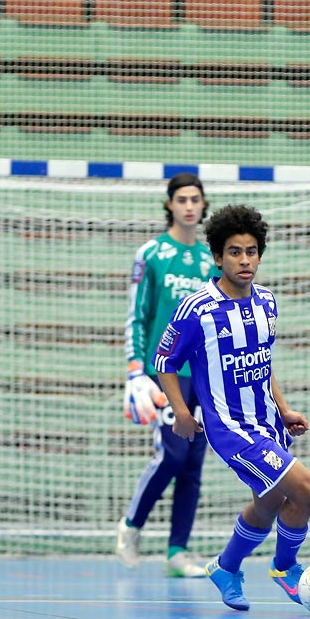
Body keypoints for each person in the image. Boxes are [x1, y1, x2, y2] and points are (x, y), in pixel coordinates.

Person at [152, 204, 310, 611]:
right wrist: (183, 414)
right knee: (307, 489)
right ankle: (285, 566)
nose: (244, 260)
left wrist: (283, 409)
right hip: (231, 428)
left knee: (271, 502)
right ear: (217, 257)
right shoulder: (198, 308)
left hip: (266, 422)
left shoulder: (268, 302)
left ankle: (226, 567)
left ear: (260, 254)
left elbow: (263, 361)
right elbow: (165, 361)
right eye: (234, 252)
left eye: (251, 251)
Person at [117, 174, 215, 578]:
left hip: (203, 377)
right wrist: (136, 371)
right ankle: (131, 525)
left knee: (193, 462)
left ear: (203, 205)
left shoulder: (211, 262)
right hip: (164, 373)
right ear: (170, 205)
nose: (189, 206)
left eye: (195, 199)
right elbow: (137, 316)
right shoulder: (152, 254)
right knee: (172, 454)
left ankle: (178, 551)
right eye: (181, 199)